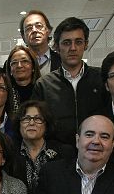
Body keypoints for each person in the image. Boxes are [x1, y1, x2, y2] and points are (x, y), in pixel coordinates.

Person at [31, 17, 109, 147]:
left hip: (97, 152)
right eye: (66, 43)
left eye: (78, 42)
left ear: (86, 44)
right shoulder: (44, 85)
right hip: (57, 157)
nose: (73, 48)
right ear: (56, 46)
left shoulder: (102, 78)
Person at [11, 100, 74, 194]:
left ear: (46, 124)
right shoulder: (9, 153)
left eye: (38, 119)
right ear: (19, 124)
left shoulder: (64, 153)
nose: (32, 123)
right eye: (26, 119)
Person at [20, 10, 61, 76]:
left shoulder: (62, 61)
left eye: (39, 26)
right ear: (23, 36)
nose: (34, 30)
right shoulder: (14, 64)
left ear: (48, 30)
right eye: (29, 28)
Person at [5, 45, 40, 115]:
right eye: (14, 63)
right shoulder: (4, 93)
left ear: (33, 66)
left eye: (24, 61)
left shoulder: (42, 90)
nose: (19, 66)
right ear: (10, 69)